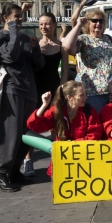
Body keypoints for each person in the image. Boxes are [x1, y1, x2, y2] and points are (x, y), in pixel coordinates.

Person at [0, 3, 43, 191]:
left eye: (21, 16)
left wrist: (36, 48)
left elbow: (38, 64)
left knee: (26, 134)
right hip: (12, 89)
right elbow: (10, 56)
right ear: (5, 18)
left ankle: (14, 170)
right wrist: (13, 29)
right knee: (11, 133)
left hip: (29, 89)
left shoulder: (24, 37)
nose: (20, 20)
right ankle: (1, 173)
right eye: (16, 16)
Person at [24, 12, 69, 176]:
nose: (44, 27)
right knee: (30, 123)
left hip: (54, 88)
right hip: (34, 89)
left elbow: (64, 72)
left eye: (47, 24)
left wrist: (61, 90)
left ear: (55, 25)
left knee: (56, 125)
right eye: (41, 24)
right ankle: (28, 161)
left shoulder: (61, 47)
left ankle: (56, 160)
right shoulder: (33, 44)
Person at [27, 81, 103, 177]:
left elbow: (94, 135)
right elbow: (33, 126)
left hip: (84, 159)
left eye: (85, 94)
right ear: (69, 98)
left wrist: (72, 145)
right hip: (63, 159)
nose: (85, 97)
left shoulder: (88, 111)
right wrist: (44, 105)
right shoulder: (57, 111)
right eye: (81, 95)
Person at [63, 13, 112, 113]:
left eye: (101, 21)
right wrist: (78, 25)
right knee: (95, 126)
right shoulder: (83, 39)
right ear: (88, 23)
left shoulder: (109, 39)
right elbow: (67, 46)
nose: (98, 23)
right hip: (93, 94)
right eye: (94, 21)